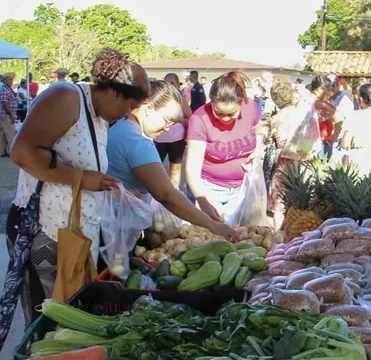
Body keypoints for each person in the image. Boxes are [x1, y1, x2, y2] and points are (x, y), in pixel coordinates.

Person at [8, 48, 150, 326]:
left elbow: (81, 161)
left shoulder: (99, 115)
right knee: (47, 318)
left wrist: (113, 188)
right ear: (114, 93)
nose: (128, 114)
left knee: (70, 316)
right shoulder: (66, 96)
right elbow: (22, 153)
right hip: (45, 232)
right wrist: (81, 179)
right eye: (130, 106)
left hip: (74, 234)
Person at [107, 79, 238, 240]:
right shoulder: (137, 142)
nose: (168, 127)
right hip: (114, 229)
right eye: (167, 119)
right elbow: (167, 195)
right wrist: (213, 225)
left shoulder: (121, 126)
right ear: (148, 108)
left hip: (109, 219)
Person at [185, 71, 261, 220]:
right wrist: (203, 201)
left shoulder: (250, 107)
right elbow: (191, 169)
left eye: (231, 113)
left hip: (242, 188)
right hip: (209, 190)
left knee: (241, 236)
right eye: (219, 113)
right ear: (210, 101)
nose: (225, 118)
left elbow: (259, 129)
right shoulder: (199, 119)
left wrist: (257, 149)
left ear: (241, 102)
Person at [266, 79, 313, 228]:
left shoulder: (275, 119)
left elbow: (268, 142)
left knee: (279, 206)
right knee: (303, 204)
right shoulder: (305, 114)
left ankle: (279, 241)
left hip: (283, 165)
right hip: (305, 163)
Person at [154, 72, 193, 188]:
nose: (170, 85)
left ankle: (175, 191)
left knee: (175, 169)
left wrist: (178, 119)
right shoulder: (156, 100)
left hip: (177, 140)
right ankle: (157, 192)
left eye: (172, 83)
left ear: (178, 85)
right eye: (167, 83)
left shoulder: (181, 101)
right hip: (158, 140)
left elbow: (190, 119)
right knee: (155, 168)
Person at [306, 76, 337, 159]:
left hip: (314, 143)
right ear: (320, 89)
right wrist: (335, 137)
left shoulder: (306, 100)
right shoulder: (321, 105)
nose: (331, 93)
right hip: (319, 144)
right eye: (329, 91)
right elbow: (339, 119)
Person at [0, 72, 19, 157]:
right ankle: (13, 153)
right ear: (5, 81)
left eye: (12, 80)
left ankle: (1, 152)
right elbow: (5, 104)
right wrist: (11, 115)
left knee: (3, 135)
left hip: (6, 115)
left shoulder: (8, 89)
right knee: (11, 134)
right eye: (9, 80)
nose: (11, 81)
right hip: (6, 115)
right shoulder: (4, 90)